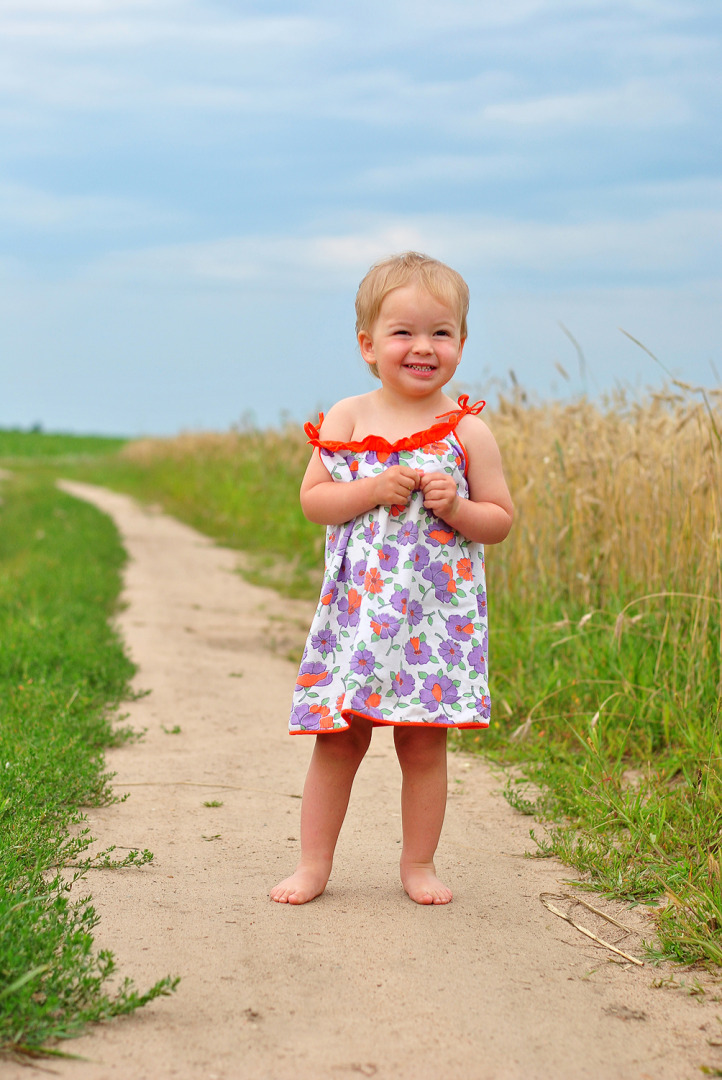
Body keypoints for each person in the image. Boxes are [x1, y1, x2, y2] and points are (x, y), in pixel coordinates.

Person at [270, 251, 513, 907]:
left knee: (424, 744)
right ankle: (313, 864)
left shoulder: (467, 432)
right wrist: (373, 488)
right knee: (339, 738)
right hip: (358, 613)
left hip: (434, 622)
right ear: (368, 344)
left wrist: (457, 507)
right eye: (403, 332)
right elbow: (314, 500)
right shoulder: (349, 418)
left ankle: (419, 865)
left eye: (441, 332)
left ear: (461, 342)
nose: (423, 347)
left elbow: (499, 520)